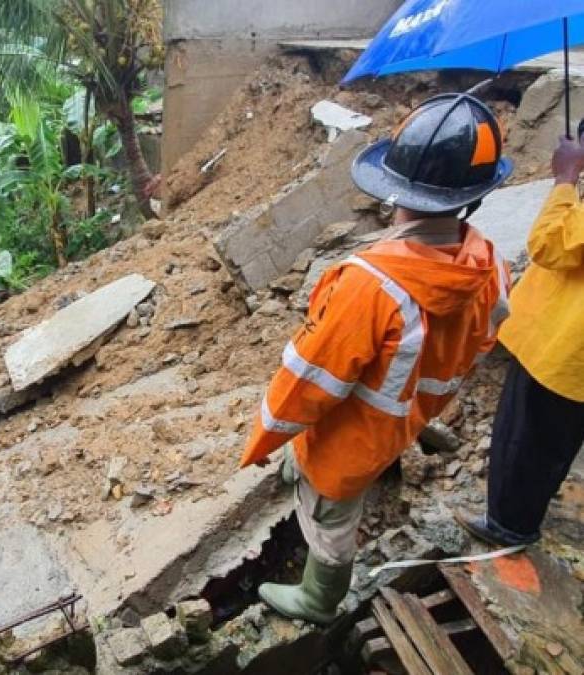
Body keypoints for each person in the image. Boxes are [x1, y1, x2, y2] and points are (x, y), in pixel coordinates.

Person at [239, 93, 514, 625]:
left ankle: (320, 598)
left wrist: (265, 439)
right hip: (407, 415)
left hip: (352, 436)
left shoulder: (368, 285)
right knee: (354, 463)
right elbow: (485, 336)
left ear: (395, 190)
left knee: (332, 511)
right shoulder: (485, 261)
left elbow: (308, 383)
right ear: (472, 196)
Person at [456, 136, 584, 546]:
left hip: (561, 352)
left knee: (528, 440)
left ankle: (509, 527)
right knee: (554, 442)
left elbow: (549, 244)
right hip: (565, 353)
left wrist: (565, 179)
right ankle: (523, 511)